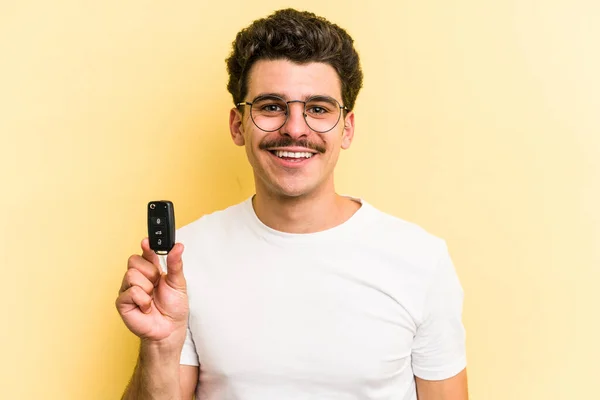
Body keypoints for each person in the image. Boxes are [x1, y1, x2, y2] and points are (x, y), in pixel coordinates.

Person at [115, 8, 469, 400]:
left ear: (346, 128)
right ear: (238, 125)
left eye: (318, 109)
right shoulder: (183, 259)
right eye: (270, 106)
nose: (295, 128)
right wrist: (159, 349)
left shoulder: (420, 259)